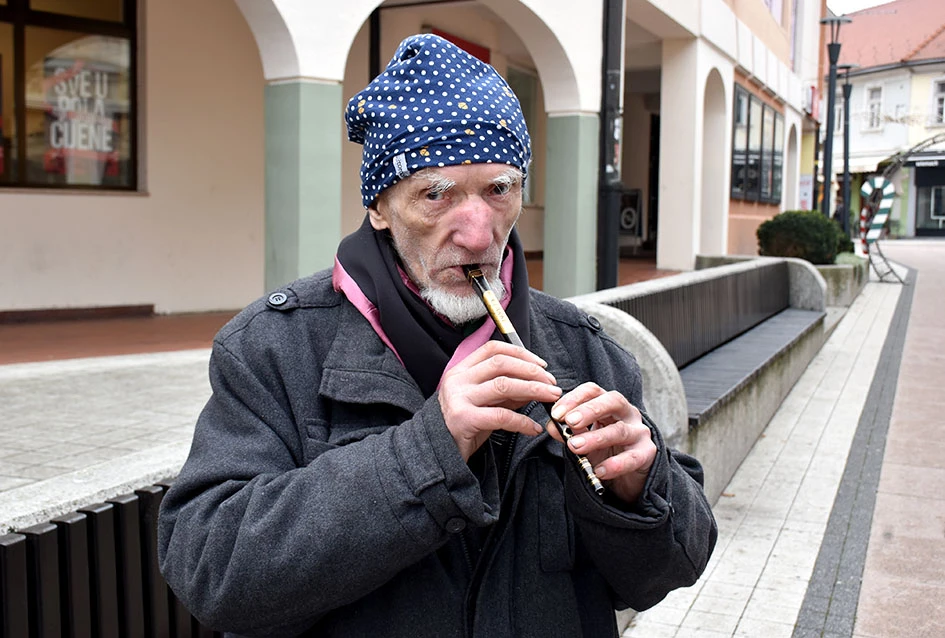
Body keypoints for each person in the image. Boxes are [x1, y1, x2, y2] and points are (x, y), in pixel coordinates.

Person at [158, 33, 717, 638]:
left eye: (498, 190)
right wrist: (431, 449)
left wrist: (638, 488)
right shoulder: (273, 347)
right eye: (436, 193)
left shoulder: (584, 347)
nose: (478, 235)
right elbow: (213, 572)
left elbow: (670, 569)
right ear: (379, 207)